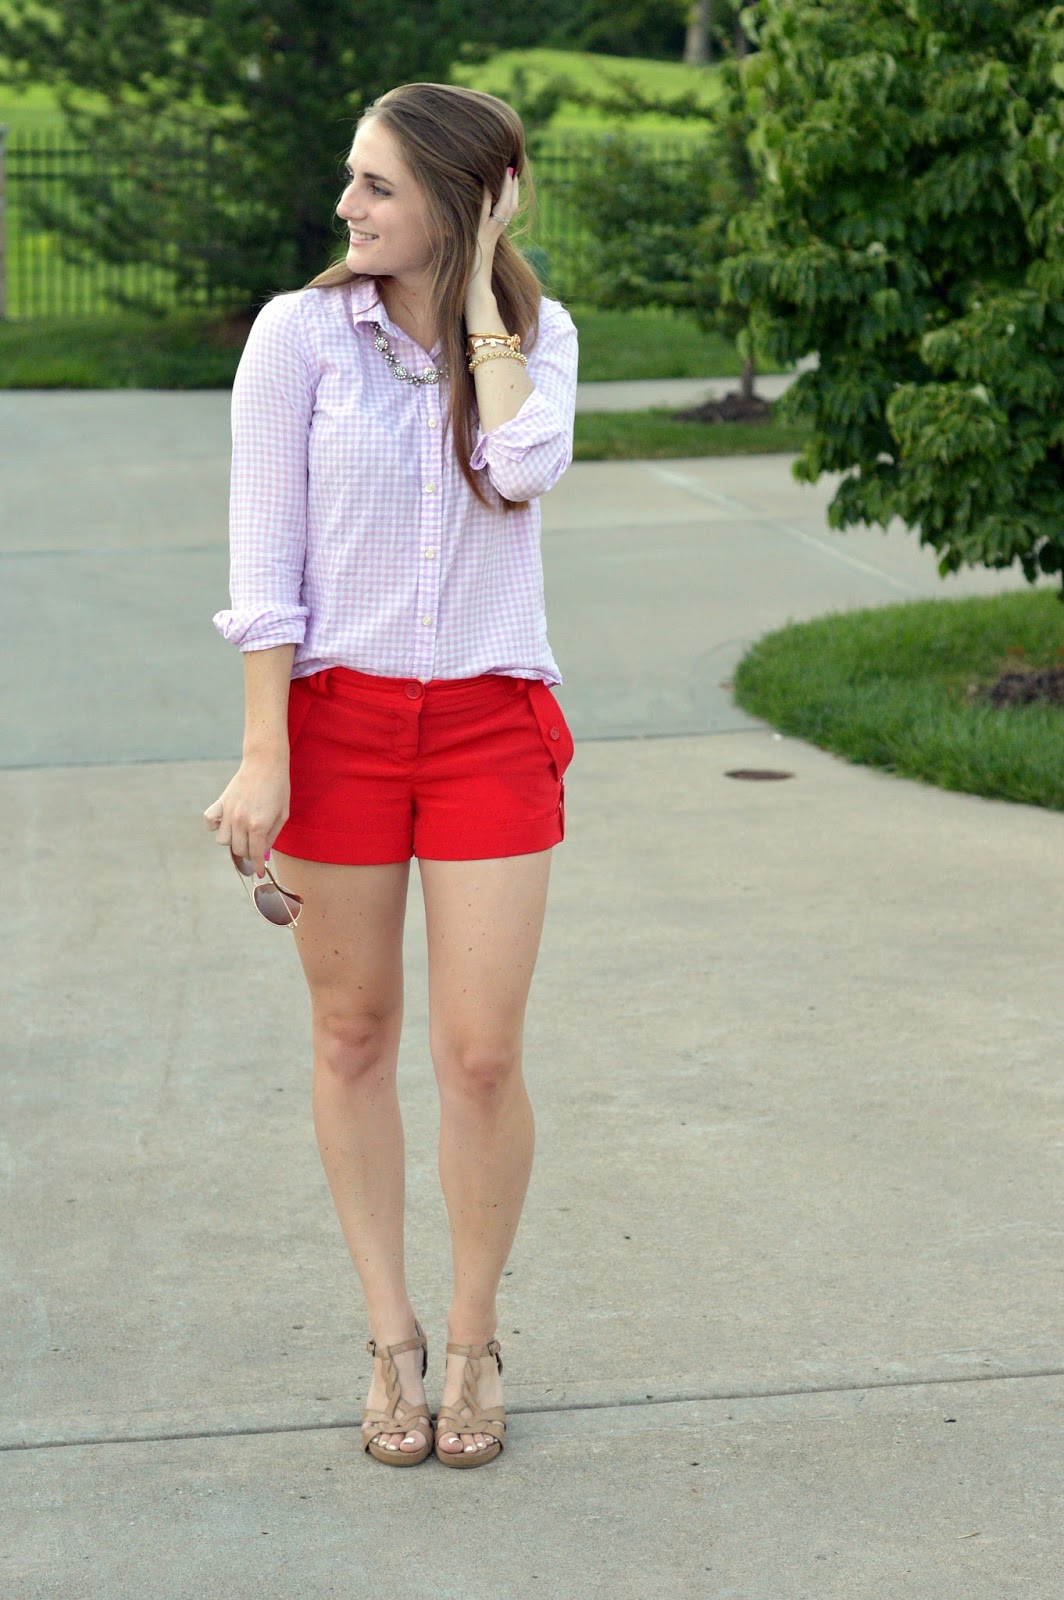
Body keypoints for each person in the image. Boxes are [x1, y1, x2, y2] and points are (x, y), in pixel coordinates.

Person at [202, 81, 578, 1469]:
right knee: (352, 1036)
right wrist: (264, 756)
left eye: (379, 187)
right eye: (349, 178)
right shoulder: (297, 338)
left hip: (489, 722)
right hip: (339, 728)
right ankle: (393, 1339)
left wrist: (483, 295)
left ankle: (475, 1339)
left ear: (460, 205)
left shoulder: (539, 342)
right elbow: (264, 567)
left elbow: (527, 465)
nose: (347, 206)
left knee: (480, 1054)